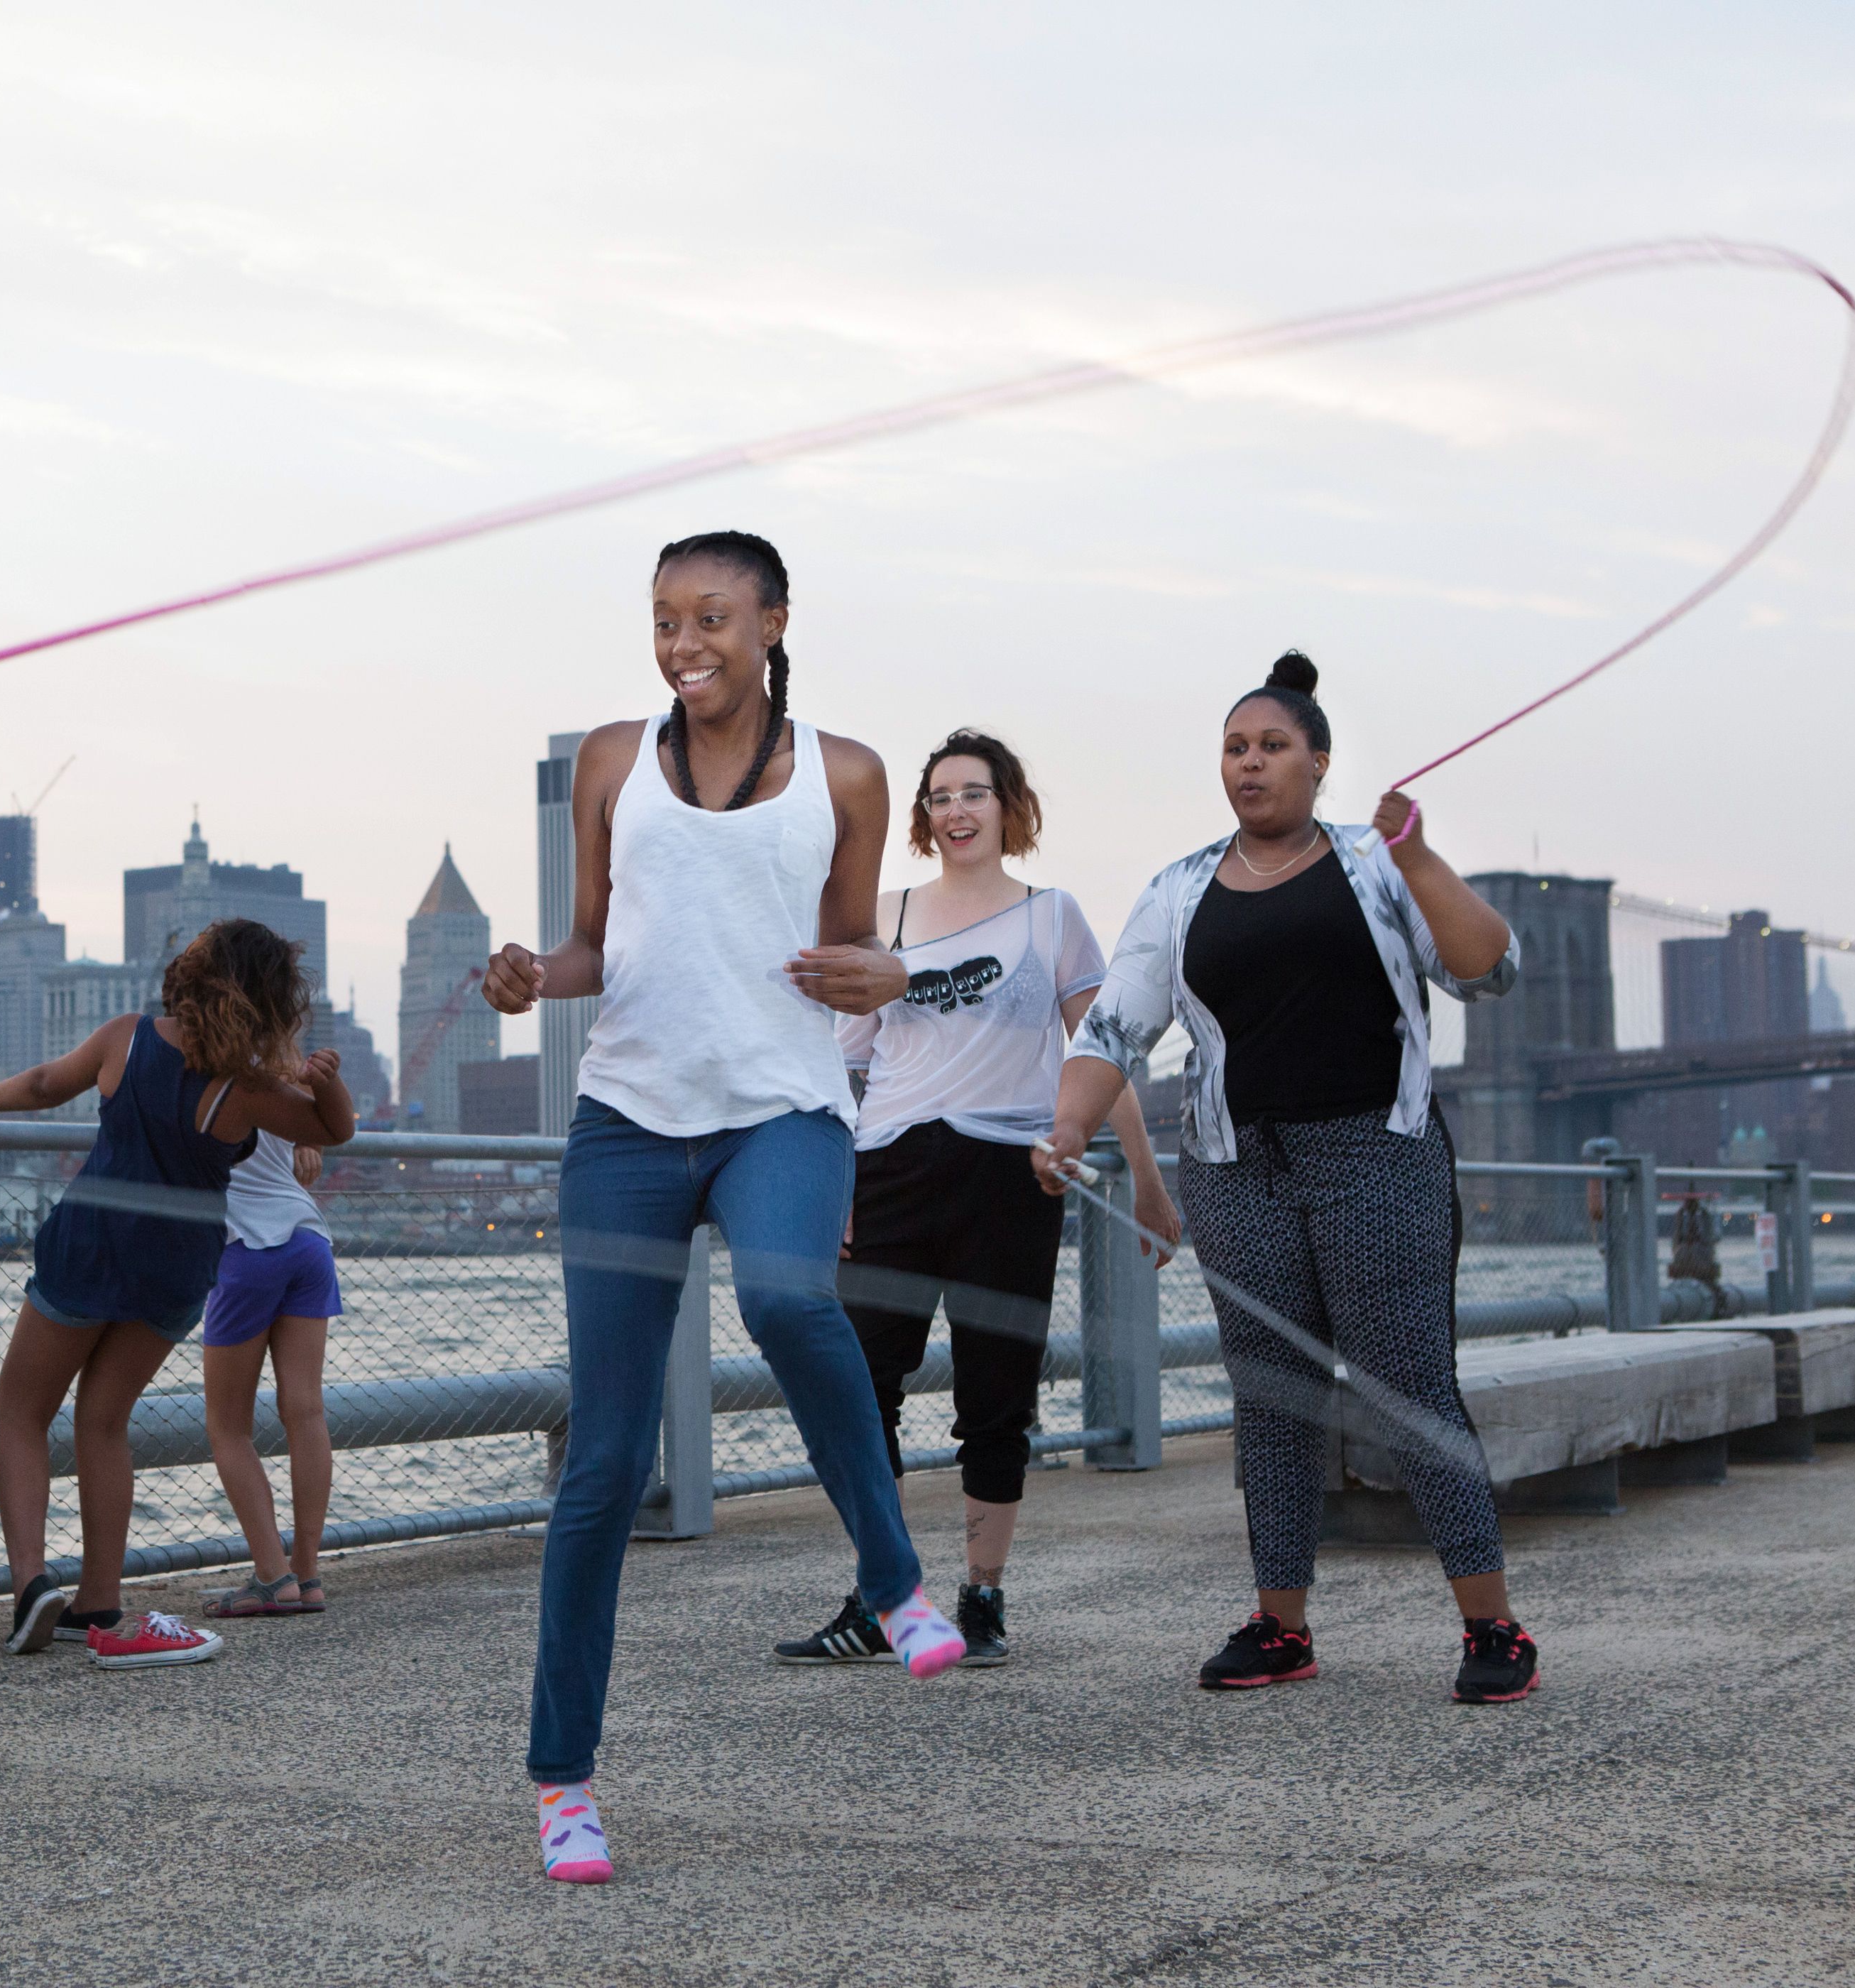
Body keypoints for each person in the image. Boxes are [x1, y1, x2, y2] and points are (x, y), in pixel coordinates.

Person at [483, 530, 969, 1886]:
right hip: (629, 1118)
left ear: (772, 622)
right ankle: (564, 1782)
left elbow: (856, 952)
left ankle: (893, 1582)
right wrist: (537, 974)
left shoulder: (850, 775)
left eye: (709, 616)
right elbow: (595, 940)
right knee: (603, 1463)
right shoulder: (607, 760)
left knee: (789, 1298)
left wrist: (885, 976)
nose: (683, 642)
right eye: (662, 619)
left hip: (781, 1108)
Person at [1036, 651, 1541, 1705]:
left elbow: (1489, 969)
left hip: (1378, 1155)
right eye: (1234, 749)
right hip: (1234, 1167)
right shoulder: (1179, 889)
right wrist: (1067, 1127)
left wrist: (1423, 854)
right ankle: (1281, 1625)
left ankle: (1492, 1627)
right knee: (1270, 1395)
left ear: (1319, 763)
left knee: (1410, 1389)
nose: (1250, 765)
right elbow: (1118, 1023)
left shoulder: (1374, 862)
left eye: (1272, 747)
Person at [772, 729, 1180, 1671]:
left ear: (1009, 807)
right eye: (942, 796)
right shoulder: (886, 916)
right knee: (862, 1386)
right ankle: (884, 1599)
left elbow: (1102, 1055)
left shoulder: (1053, 916)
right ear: (923, 816)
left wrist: (1148, 1183)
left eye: (976, 793)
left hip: (1011, 1174)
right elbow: (840, 1063)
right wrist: (827, 1184)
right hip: (891, 1173)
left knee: (997, 1399)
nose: (958, 810)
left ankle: (983, 1596)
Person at [0, 919, 355, 1669]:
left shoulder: (127, 1037)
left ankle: (30, 1586)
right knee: (104, 1421)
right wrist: (325, 1082)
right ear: (271, 1003)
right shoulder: (246, 1091)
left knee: (21, 1409)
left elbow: (46, 1086)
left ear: (186, 976)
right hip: (178, 1267)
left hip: (92, 1246)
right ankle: (99, 1603)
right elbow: (333, 1129)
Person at [200, 1132, 341, 1618]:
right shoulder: (283, 1072)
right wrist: (312, 1145)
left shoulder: (197, 1067)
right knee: (306, 1410)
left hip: (246, 1246)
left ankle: (272, 1576)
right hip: (308, 1240)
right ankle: (306, 1574)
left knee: (228, 1426)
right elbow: (313, 1129)